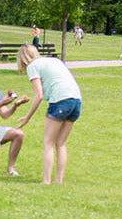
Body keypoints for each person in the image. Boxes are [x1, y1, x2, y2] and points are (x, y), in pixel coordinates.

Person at [16, 45, 83, 185]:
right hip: (76, 100)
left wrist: (27, 117)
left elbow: (39, 95)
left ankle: (46, 181)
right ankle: (59, 181)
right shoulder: (54, 60)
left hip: (60, 100)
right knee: (61, 143)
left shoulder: (32, 66)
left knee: (48, 142)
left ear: (22, 58)